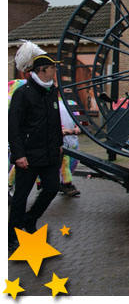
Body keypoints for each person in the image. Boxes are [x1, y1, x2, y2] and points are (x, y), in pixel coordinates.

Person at [8, 47, 64, 250]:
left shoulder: (51, 92)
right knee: (21, 196)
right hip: (28, 155)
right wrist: (19, 155)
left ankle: (30, 220)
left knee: (51, 188)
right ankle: (11, 236)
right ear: (41, 70)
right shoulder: (23, 94)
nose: (54, 72)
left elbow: (55, 120)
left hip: (49, 153)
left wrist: (58, 144)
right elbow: (13, 126)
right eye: (51, 69)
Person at [58, 99, 82, 197]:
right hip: (62, 139)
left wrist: (78, 127)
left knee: (74, 162)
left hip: (72, 139)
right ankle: (68, 184)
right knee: (65, 162)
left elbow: (77, 119)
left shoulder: (71, 103)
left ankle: (64, 184)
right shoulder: (52, 102)